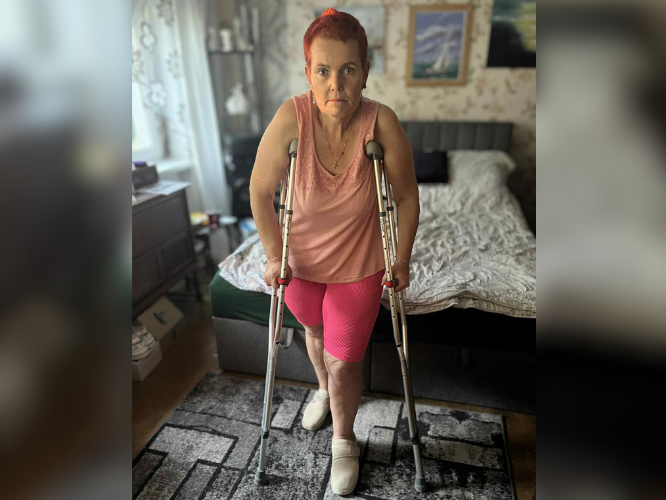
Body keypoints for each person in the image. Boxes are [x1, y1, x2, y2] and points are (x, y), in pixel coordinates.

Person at [249, 7, 419, 496]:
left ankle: (344, 439)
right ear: (308, 72)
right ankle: (322, 390)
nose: (335, 84)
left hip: (358, 266)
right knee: (314, 331)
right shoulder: (291, 117)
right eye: (323, 70)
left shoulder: (381, 122)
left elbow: (407, 197)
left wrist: (401, 259)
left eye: (347, 69)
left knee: (344, 359)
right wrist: (273, 255)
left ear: (365, 70)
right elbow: (260, 191)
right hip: (299, 265)